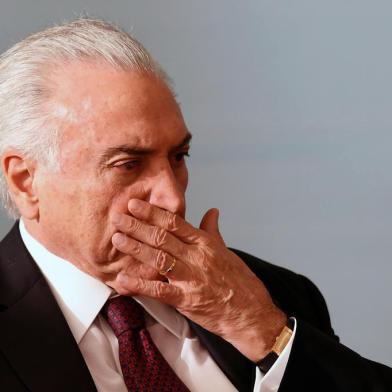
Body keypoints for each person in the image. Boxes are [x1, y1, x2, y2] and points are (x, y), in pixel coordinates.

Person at [0, 18, 390, 392]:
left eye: (178, 156)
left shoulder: (273, 295)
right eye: (128, 165)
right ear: (26, 181)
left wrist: (260, 329)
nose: (173, 197)